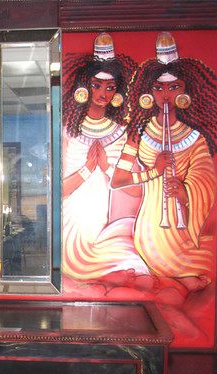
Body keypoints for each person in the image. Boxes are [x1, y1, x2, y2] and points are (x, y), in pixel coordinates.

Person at [111, 31, 217, 291]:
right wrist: (154, 171)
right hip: (150, 226)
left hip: (181, 227)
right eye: (158, 88)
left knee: (198, 274)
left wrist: (184, 191)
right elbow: (118, 180)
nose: (165, 95)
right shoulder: (138, 132)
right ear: (149, 92)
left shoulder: (195, 137)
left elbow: (205, 183)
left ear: (186, 91)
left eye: (173, 87)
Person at [61, 33, 147, 281]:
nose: (103, 93)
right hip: (73, 217)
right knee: (82, 265)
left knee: (134, 267)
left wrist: (107, 168)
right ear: (84, 86)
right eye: (97, 85)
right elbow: (58, 191)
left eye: (110, 88)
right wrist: (87, 169)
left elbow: (137, 192)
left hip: (102, 215)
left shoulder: (121, 132)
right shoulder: (67, 130)